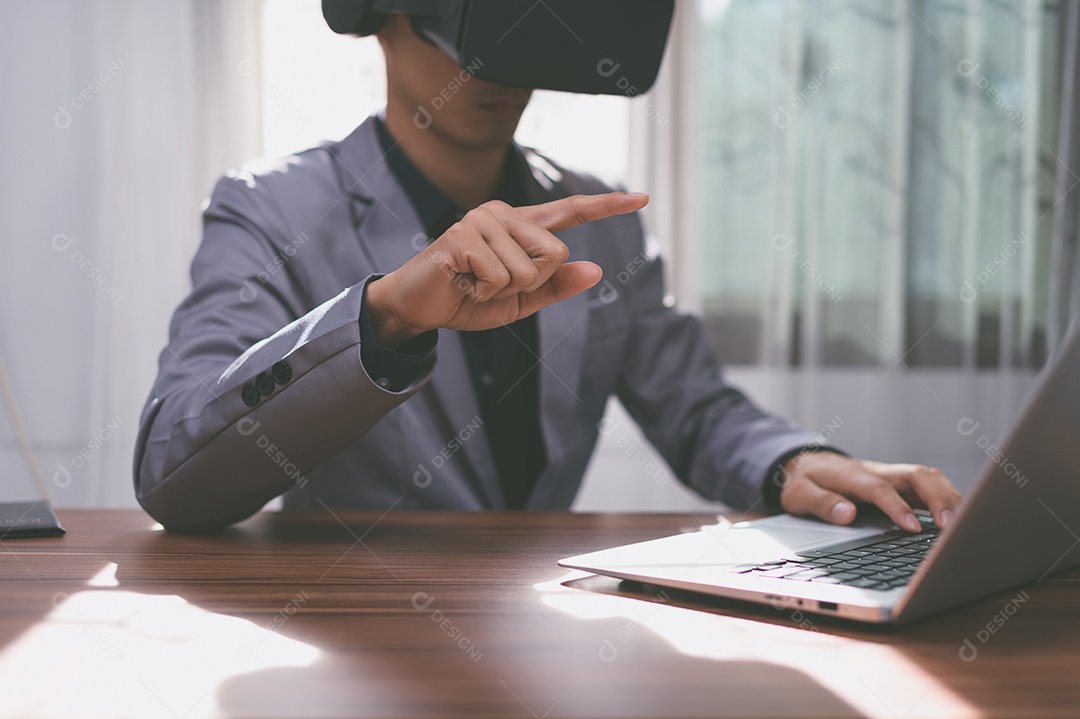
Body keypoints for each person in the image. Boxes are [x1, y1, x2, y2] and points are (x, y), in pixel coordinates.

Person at [133, 12, 961, 532]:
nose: (498, 65)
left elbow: (697, 410)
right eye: (468, 27)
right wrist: (383, 318)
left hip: (545, 627)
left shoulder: (598, 214)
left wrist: (790, 462)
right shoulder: (271, 207)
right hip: (357, 625)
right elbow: (174, 478)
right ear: (380, 19)